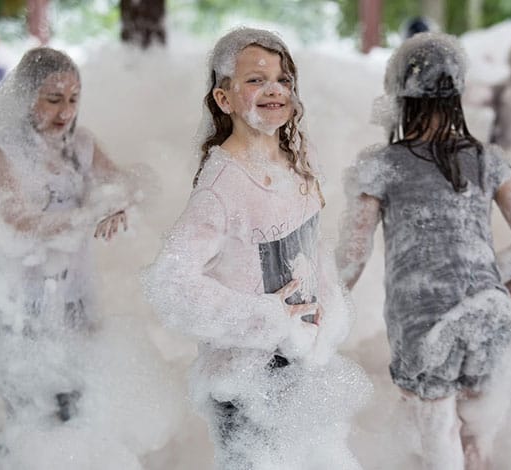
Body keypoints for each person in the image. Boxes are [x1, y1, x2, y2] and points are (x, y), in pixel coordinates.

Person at [142, 28, 370, 470]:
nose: (274, 89)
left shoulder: (296, 159)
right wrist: (264, 316)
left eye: (283, 79)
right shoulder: (222, 185)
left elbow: (311, 245)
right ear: (224, 99)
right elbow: (170, 281)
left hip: (302, 370)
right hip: (246, 387)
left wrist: (327, 310)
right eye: (255, 79)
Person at [336, 33, 511, 469]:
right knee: (477, 438)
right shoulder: (489, 160)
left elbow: (352, 258)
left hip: (423, 332)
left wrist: (318, 314)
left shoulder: (381, 166)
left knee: (440, 436)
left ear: (399, 95)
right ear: (457, 94)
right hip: (489, 318)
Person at [0, 47, 137, 462]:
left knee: (76, 407)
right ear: (27, 96)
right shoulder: (2, 151)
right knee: (27, 417)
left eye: (74, 98)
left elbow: (122, 184)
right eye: (54, 98)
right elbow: (17, 219)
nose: (66, 111)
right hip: (18, 307)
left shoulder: (81, 144)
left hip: (74, 299)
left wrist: (118, 203)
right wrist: (87, 217)